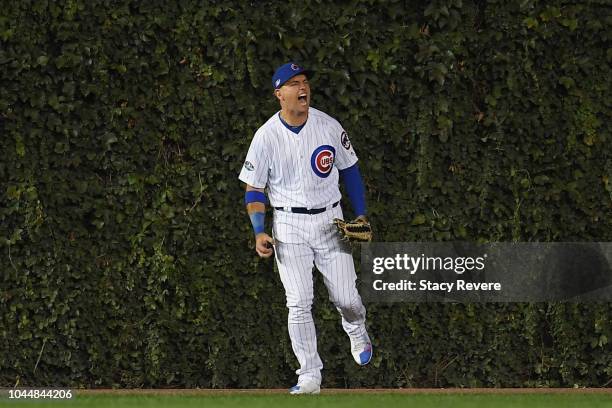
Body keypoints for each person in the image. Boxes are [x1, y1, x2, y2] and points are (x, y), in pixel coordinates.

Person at [238, 62, 372, 394]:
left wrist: (361, 215)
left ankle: (357, 330)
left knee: (347, 299)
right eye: (294, 83)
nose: (303, 88)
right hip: (289, 224)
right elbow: (254, 189)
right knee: (298, 302)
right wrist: (258, 230)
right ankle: (309, 374)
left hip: (330, 220)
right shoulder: (266, 136)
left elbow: (350, 170)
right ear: (279, 94)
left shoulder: (328, 126)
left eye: (305, 81)